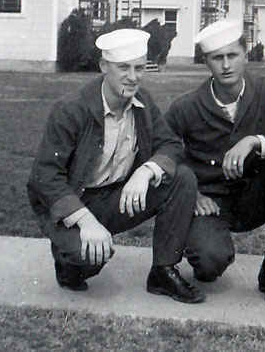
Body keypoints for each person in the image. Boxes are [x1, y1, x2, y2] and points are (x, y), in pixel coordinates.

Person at [27, 29, 204, 304]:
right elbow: (45, 175)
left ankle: (163, 271)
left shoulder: (143, 102)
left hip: (118, 196)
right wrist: (85, 220)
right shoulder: (72, 109)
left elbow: (170, 144)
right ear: (103, 67)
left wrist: (146, 171)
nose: (133, 77)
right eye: (123, 68)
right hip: (78, 202)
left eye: (139, 68)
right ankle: (67, 261)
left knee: (182, 178)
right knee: (86, 260)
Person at [165, 20, 265, 306]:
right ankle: (209, 250)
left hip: (254, 196)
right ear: (206, 62)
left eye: (232, 55)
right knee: (209, 265)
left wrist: (256, 141)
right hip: (210, 202)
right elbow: (162, 153)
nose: (226, 65)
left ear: (246, 56)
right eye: (216, 58)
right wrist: (192, 194)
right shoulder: (186, 106)